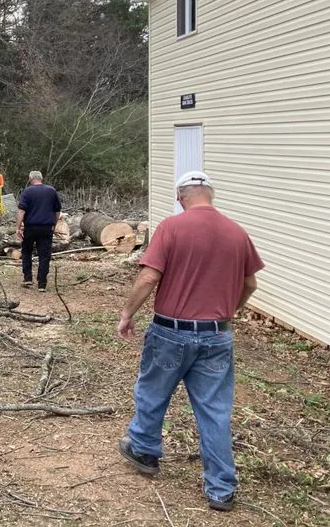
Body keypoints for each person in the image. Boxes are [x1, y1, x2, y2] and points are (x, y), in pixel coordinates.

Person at [116, 170, 263, 513]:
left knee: (152, 392)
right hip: (217, 334)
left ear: (182, 196)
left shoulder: (172, 227)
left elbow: (149, 275)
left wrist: (127, 314)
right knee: (214, 410)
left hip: (170, 331)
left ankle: (144, 450)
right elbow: (251, 284)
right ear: (209, 195)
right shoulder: (237, 232)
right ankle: (221, 488)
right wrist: (231, 310)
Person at [15, 171, 60, 292]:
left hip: (30, 227)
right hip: (46, 227)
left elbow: (21, 211)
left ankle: (28, 277)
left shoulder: (27, 191)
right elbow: (57, 211)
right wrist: (53, 225)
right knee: (44, 255)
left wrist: (18, 227)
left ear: (30, 178)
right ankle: (42, 283)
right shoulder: (51, 191)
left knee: (26, 252)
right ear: (41, 178)